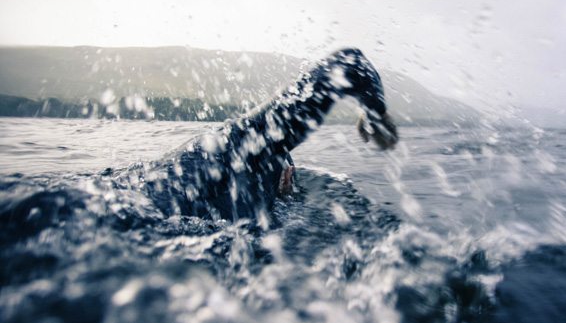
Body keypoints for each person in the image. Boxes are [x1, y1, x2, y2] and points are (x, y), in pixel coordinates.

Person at [122, 48, 398, 223]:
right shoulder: (252, 147)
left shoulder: (209, 159)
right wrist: (376, 115)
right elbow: (350, 62)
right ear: (286, 175)